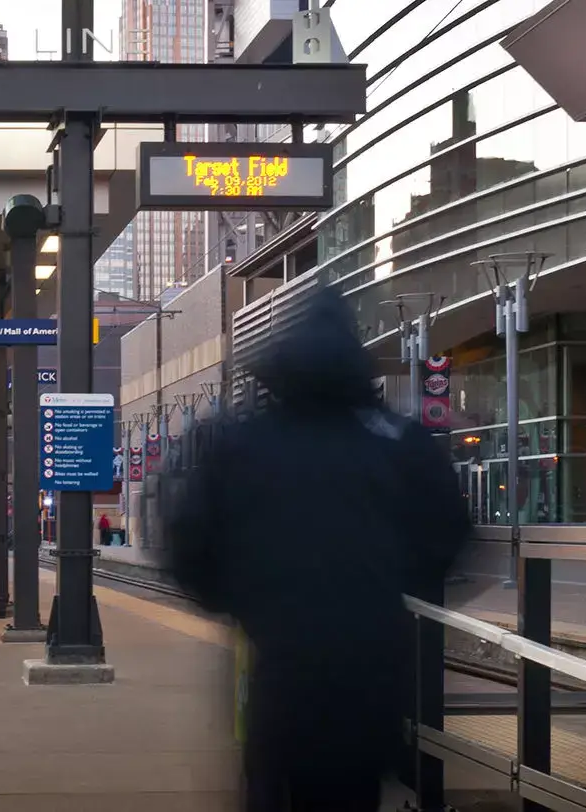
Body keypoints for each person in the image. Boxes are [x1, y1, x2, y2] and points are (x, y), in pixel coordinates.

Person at [166, 287, 471, 811]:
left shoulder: (244, 445)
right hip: (371, 671)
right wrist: (390, 588)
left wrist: (242, 601)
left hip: (280, 666)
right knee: (352, 794)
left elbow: (189, 545)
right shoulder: (398, 441)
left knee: (274, 787)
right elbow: (448, 534)